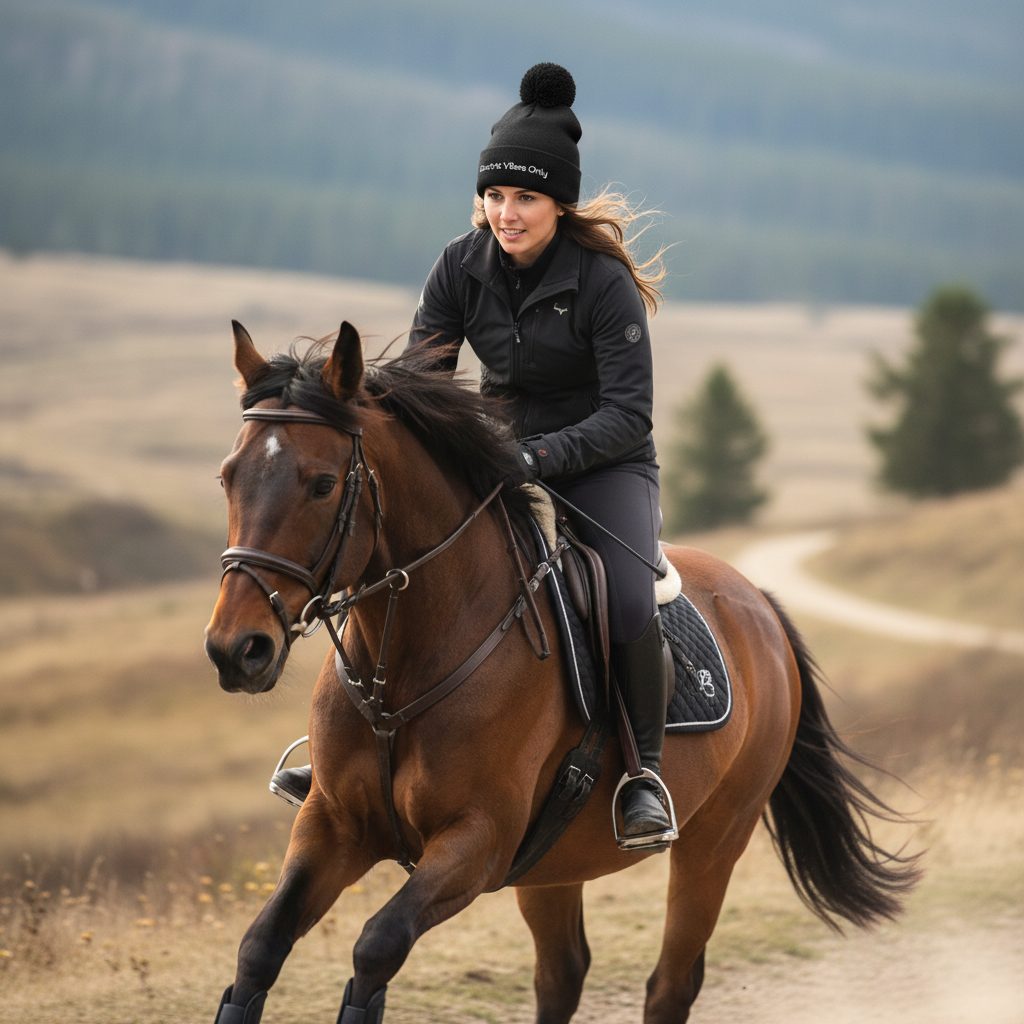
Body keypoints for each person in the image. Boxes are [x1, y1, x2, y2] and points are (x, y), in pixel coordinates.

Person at [271, 62, 673, 847]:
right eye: (494, 197)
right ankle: (334, 758)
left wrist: (541, 456)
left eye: (524, 198)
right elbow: (424, 384)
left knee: (627, 593)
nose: (506, 213)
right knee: (385, 561)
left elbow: (629, 413)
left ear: (558, 200)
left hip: (605, 463)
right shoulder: (460, 265)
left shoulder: (601, 284)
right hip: (495, 453)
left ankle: (643, 775)